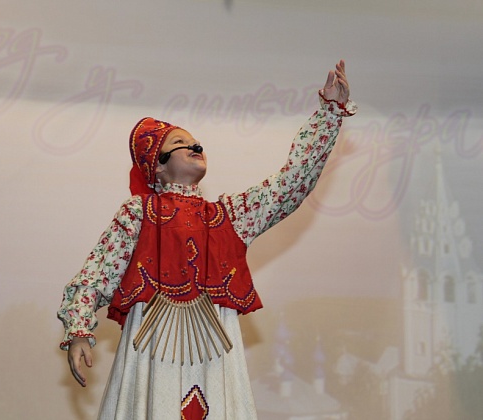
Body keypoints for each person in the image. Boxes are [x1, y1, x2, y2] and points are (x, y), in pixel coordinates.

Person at [57, 60, 356, 420]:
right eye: (180, 143)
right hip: (151, 355)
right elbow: (94, 276)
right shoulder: (138, 214)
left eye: (196, 142)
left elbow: (289, 184)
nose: (195, 145)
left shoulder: (230, 216)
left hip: (215, 360)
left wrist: (329, 114)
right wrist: (78, 330)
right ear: (158, 166)